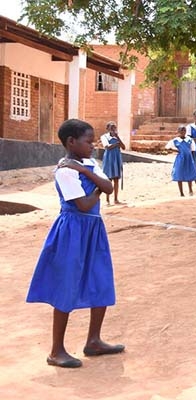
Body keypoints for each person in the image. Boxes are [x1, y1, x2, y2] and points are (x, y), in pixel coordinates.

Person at [26, 119, 125, 368]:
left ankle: (94, 340)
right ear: (71, 142)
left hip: (93, 230)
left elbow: (108, 188)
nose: (93, 146)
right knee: (66, 285)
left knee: (101, 279)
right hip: (72, 231)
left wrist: (85, 172)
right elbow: (83, 204)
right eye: (88, 141)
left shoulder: (86, 166)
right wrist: (95, 186)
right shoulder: (64, 171)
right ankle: (56, 351)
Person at [166, 125, 196, 197]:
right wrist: (175, 150)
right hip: (180, 159)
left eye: (184, 130)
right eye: (181, 130)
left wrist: (194, 160)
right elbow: (167, 147)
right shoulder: (175, 140)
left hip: (189, 158)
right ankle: (181, 193)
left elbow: (193, 150)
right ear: (178, 131)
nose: (183, 132)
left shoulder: (190, 140)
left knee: (191, 173)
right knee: (179, 174)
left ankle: (192, 190)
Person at [100, 121, 125, 205]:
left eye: (114, 128)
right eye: (111, 128)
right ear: (107, 129)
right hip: (109, 158)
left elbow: (123, 147)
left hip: (117, 158)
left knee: (116, 179)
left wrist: (118, 138)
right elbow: (107, 147)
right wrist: (116, 144)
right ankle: (107, 200)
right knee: (108, 179)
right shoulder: (104, 137)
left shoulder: (117, 137)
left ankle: (116, 199)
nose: (113, 130)